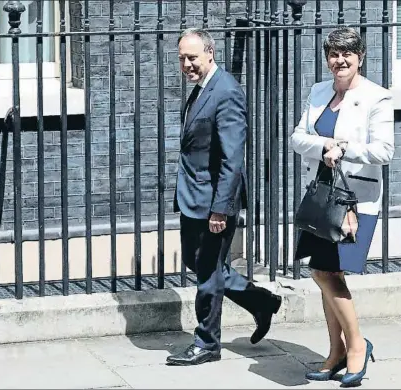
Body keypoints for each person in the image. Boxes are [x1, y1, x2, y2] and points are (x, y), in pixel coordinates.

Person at [167, 28, 282, 367]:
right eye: (182, 59)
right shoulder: (203, 88)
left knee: (208, 273)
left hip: (213, 200)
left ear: (210, 53)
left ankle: (206, 343)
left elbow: (233, 158)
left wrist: (221, 209)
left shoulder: (227, 92)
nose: (187, 64)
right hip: (194, 196)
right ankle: (261, 301)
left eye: (192, 58)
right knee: (198, 262)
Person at [291, 27, 395, 387]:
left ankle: (356, 346)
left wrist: (345, 148)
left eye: (347, 55)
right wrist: (324, 146)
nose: (340, 61)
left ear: (360, 58)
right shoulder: (319, 91)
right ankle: (335, 353)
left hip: (355, 201)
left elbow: (384, 151)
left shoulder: (376, 98)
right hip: (321, 196)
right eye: (334, 55)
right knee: (322, 271)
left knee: (329, 273)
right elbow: (297, 137)